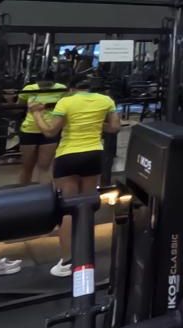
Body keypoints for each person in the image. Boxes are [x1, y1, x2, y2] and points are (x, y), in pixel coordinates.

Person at [29, 79, 120, 277]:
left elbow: (49, 131)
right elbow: (114, 127)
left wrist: (36, 113)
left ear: (71, 89)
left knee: (68, 210)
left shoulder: (66, 102)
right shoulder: (106, 100)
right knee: (86, 207)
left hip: (68, 156)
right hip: (94, 155)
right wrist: (93, 123)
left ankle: (67, 261)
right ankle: (85, 257)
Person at [16, 72, 67, 185]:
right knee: (27, 166)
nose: (44, 87)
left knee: (44, 166)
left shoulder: (61, 89)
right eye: (41, 85)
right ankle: (23, 192)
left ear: (53, 82)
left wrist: (45, 106)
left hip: (50, 129)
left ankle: (45, 193)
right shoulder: (29, 89)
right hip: (29, 129)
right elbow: (19, 105)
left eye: (47, 85)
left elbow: (66, 105)